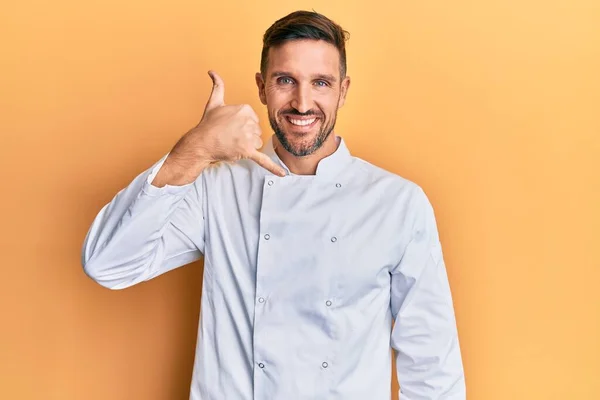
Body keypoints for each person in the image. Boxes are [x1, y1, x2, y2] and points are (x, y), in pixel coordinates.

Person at [81, 10, 466, 400]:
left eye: (320, 82)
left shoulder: (397, 203)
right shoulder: (217, 188)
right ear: (262, 87)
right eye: (286, 81)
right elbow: (107, 264)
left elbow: (433, 362)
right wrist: (194, 149)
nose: (302, 103)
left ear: (343, 90)